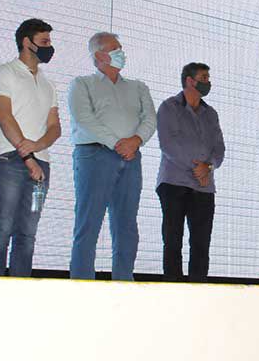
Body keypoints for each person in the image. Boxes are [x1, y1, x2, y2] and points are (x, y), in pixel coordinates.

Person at [68, 32, 156, 281]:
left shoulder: (138, 87)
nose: (121, 53)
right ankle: (82, 284)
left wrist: (135, 141)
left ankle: (124, 282)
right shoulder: (82, 84)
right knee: (89, 222)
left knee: (126, 225)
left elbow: (150, 118)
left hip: (131, 158)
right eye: (115, 49)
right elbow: (84, 118)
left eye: (120, 48)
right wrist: (117, 143)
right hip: (94, 155)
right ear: (99, 55)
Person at [0, 19, 61, 277]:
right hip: (9, 161)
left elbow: (55, 127)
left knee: (27, 233)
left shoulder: (49, 84)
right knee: (2, 228)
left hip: (41, 167)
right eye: (44, 41)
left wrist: (38, 147)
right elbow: (4, 116)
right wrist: (28, 156)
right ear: (27, 42)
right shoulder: (5, 72)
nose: (49, 47)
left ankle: (20, 288)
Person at [156, 62, 225, 282]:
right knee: (172, 240)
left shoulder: (211, 113)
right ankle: (172, 287)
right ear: (189, 80)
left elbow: (219, 148)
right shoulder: (169, 107)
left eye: (208, 78)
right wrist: (197, 169)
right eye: (204, 78)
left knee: (201, 243)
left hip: (204, 187)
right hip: (173, 183)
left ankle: (199, 288)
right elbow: (168, 144)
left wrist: (208, 167)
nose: (208, 82)